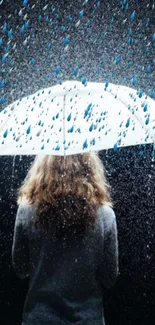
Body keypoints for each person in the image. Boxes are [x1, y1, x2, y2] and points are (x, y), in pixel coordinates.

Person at [12, 151, 119, 325]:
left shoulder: (27, 211)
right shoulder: (105, 215)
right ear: (89, 167)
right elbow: (109, 277)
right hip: (87, 320)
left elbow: (20, 269)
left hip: (39, 319)